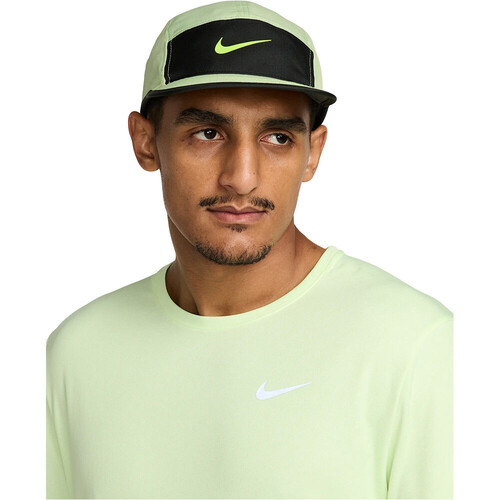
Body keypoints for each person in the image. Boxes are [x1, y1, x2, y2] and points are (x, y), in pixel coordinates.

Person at [46, 1, 453, 498]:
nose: (242, 177)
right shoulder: (76, 354)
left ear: (313, 152)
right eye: (208, 133)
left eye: (278, 137)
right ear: (146, 142)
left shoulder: (416, 345)